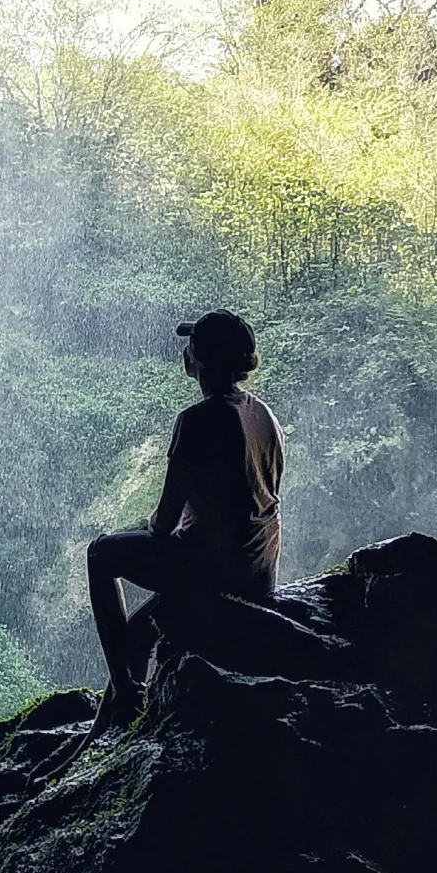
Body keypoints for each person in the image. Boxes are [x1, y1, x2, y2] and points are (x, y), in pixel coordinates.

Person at [87, 309, 285, 721]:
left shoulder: (197, 421)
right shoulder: (263, 414)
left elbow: (164, 524)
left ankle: (125, 691)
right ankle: (124, 709)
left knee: (100, 555)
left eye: (190, 343)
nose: (184, 349)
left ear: (198, 357)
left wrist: (142, 526)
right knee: (141, 630)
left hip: (215, 568)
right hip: (259, 568)